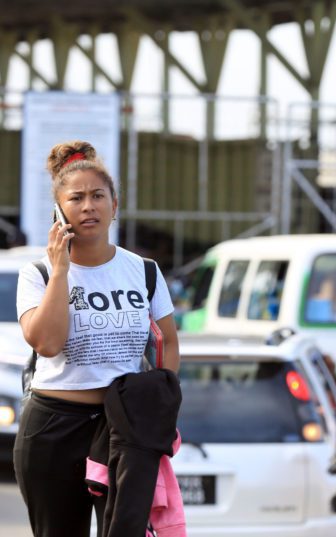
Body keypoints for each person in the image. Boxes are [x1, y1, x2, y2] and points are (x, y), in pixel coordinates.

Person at [13, 141, 180, 537]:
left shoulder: (144, 271)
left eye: (97, 196)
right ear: (59, 211)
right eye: (76, 198)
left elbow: (168, 342)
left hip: (122, 426)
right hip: (52, 428)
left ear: (114, 205)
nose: (88, 206)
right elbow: (47, 344)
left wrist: (161, 396)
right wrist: (60, 270)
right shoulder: (36, 274)